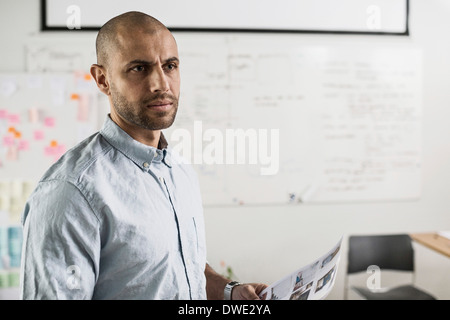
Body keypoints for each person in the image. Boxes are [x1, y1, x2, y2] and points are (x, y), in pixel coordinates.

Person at [20, 11, 267, 300]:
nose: (161, 83)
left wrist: (230, 292)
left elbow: (180, 268)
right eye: (139, 68)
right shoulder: (71, 191)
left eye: (170, 65)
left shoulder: (178, 171)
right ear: (102, 79)